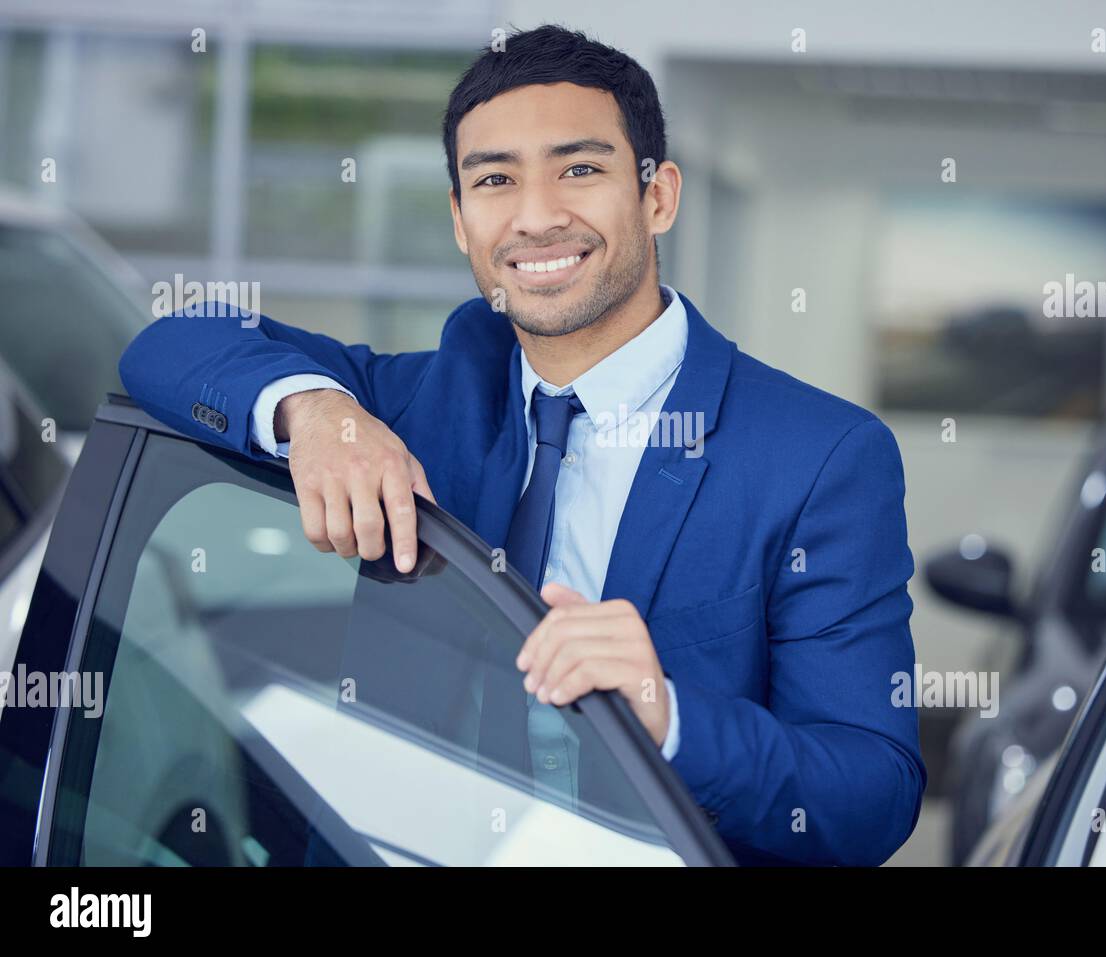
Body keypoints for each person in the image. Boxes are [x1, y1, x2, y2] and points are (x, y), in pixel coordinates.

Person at [119, 23, 925, 866]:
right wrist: (319, 413)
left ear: (658, 197)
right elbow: (172, 343)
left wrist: (671, 717)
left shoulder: (820, 456)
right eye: (495, 179)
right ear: (462, 222)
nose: (537, 217)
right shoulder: (420, 402)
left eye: (580, 168)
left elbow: (870, 793)